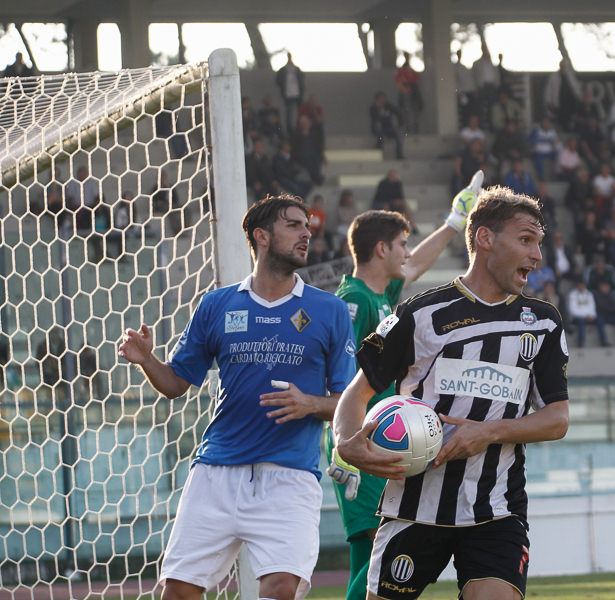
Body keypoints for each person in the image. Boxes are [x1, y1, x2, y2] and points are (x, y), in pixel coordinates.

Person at [333, 186, 569, 600]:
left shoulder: (542, 323)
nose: (537, 255)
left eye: (539, 243)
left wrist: (489, 431)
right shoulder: (419, 314)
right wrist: (345, 445)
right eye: (526, 240)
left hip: (495, 507)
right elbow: (356, 393)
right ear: (485, 239)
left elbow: (557, 418)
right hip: (413, 505)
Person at [118, 195, 356, 600]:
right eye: (294, 225)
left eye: (306, 225)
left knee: (281, 588)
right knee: (177, 591)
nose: (307, 232)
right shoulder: (216, 304)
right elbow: (176, 383)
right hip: (215, 472)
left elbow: (350, 401)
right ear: (262, 236)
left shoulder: (330, 310)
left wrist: (312, 404)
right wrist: (146, 360)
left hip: (289, 477)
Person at [325, 173, 483, 600]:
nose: (407, 253)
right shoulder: (352, 302)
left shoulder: (383, 291)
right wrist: (313, 407)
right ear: (381, 249)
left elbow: (416, 265)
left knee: (368, 548)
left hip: (383, 428)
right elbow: (340, 382)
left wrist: (455, 219)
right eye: (401, 245)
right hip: (361, 436)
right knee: (382, 539)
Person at [275, 53, 305, 133]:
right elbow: (278, 81)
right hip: (288, 95)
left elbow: (302, 80)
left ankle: (298, 128)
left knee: (298, 113)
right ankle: (290, 130)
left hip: (297, 95)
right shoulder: (283, 70)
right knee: (289, 114)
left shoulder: (296, 70)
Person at [370, 91, 404, 159]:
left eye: (383, 98)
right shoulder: (373, 108)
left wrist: (399, 126)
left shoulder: (388, 106)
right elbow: (375, 118)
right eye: (380, 99)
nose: (382, 100)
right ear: (376, 99)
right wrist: (378, 108)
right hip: (378, 129)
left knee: (400, 134)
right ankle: (379, 144)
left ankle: (399, 154)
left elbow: (399, 113)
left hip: (388, 128)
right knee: (378, 126)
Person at [395, 52, 423, 133]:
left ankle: (414, 129)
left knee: (414, 112)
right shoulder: (401, 70)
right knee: (406, 111)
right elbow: (398, 80)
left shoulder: (411, 70)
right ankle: (408, 129)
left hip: (413, 94)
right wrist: (404, 90)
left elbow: (416, 80)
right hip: (406, 93)